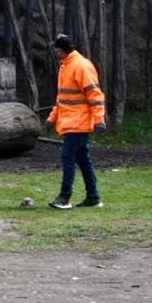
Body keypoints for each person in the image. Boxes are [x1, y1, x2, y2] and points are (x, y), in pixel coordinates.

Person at [46, 34, 106, 209]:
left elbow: (95, 95)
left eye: (56, 49)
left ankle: (64, 198)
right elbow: (63, 98)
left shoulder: (80, 66)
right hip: (72, 121)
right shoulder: (67, 66)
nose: (55, 51)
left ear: (62, 50)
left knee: (68, 156)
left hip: (79, 122)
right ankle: (93, 197)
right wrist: (52, 117)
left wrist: (99, 119)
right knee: (82, 159)